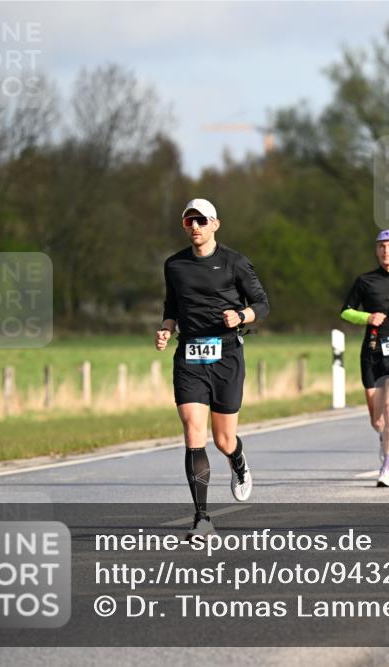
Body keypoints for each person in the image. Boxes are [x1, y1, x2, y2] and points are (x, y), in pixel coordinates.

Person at [157, 198, 270, 539]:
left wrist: (241, 316)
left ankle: (238, 460)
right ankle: (202, 518)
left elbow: (262, 304)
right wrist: (166, 327)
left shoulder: (235, 262)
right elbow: (171, 305)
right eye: (189, 221)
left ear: (215, 224)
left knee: (223, 439)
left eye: (201, 221)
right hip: (190, 355)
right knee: (194, 431)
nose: (195, 227)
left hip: (226, 355)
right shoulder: (174, 265)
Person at [340, 230, 389, 488]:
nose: (386, 251)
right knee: (378, 420)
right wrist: (367, 317)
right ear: (376, 250)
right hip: (371, 352)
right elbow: (345, 312)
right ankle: (386, 442)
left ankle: (387, 468)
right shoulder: (365, 281)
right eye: (382, 246)